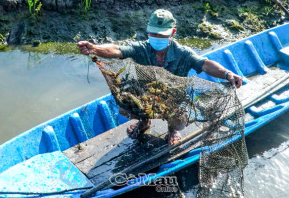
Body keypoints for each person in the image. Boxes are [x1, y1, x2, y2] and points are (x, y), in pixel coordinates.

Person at [77, 9, 243, 145]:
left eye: (162, 35)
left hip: (174, 100)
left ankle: (173, 130)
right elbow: (117, 50)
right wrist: (95, 49)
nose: (156, 39)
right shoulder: (141, 49)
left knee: (178, 114)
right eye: (153, 34)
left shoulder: (183, 53)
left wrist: (227, 73)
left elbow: (205, 64)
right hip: (145, 97)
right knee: (126, 104)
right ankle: (144, 122)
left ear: (173, 33)